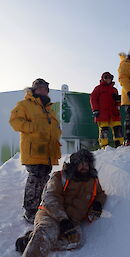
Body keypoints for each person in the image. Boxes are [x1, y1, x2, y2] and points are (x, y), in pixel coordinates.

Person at [16, 149, 107, 257]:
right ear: (74, 165)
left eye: (86, 163)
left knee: (75, 240)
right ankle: (38, 243)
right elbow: (50, 198)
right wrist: (63, 219)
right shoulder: (59, 176)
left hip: (71, 221)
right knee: (48, 231)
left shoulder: (93, 181)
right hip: (49, 214)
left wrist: (98, 203)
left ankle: (31, 240)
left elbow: (101, 194)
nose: (84, 166)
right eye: (80, 163)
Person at [9, 78, 62, 224]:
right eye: (39, 87)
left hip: (47, 151)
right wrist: (32, 128)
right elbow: (15, 121)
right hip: (33, 150)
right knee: (35, 179)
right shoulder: (25, 104)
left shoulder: (48, 108)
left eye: (45, 88)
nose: (42, 90)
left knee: (44, 179)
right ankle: (30, 211)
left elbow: (53, 128)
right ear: (34, 89)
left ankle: (40, 207)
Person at [90, 72, 124, 148]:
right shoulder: (98, 88)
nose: (108, 79)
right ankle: (104, 146)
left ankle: (120, 145)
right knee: (104, 130)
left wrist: (118, 100)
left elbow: (117, 103)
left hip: (114, 113)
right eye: (106, 77)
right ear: (103, 78)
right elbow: (93, 99)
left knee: (117, 128)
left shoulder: (114, 90)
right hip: (102, 113)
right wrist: (95, 110)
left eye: (110, 77)